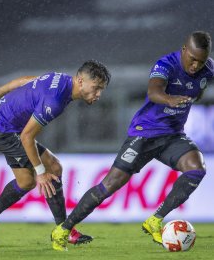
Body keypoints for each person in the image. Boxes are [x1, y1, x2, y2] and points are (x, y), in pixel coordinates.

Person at [51, 31, 213, 251]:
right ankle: (63, 230)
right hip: (144, 133)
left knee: (197, 168)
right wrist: (169, 99)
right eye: (192, 58)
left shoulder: (208, 69)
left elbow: (200, 88)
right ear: (184, 50)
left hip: (173, 135)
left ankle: (155, 220)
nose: (195, 65)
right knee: (109, 185)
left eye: (201, 61)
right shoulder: (166, 64)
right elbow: (154, 91)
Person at [0, 60, 111, 246]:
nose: (98, 95)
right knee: (52, 168)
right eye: (95, 88)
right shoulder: (55, 101)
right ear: (80, 81)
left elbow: (26, 81)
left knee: (25, 182)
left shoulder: (61, 79)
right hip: (5, 132)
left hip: (9, 126)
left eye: (101, 90)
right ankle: (64, 229)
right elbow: (27, 137)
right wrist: (41, 172)